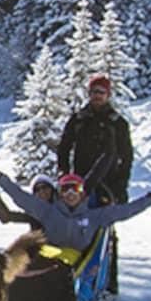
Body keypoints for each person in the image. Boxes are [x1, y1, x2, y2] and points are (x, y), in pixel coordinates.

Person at [0, 158, 151, 253]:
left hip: (78, 268)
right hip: (51, 261)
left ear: (82, 193)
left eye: (74, 189)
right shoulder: (48, 211)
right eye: (65, 189)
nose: (69, 194)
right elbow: (21, 197)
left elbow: (126, 211)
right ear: (59, 193)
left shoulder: (96, 216)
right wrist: (0, 178)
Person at [57, 75, 132, 205]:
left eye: (101, 92)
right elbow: (64, 148)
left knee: (103, 222)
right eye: (93, 92)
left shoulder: (118, 123)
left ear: (108, 95)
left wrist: (121, 184)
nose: (97, 95)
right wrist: (64, 174)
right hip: (80, 182)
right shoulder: (78, 119)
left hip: (108, 182)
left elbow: (127, 156)